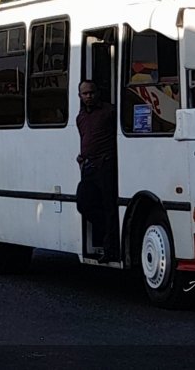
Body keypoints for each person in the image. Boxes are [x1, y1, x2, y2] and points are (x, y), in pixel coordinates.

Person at [76, 80, 119, 264]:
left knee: (110, 206)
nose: (88, 96)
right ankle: (108, 235)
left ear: (97, 93)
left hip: (106, 165)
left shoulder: (110, 112)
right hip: (88, 166)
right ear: (80, 96)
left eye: (91, 92)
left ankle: (110, 249)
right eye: (84, 94)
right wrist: (82, 156)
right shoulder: (80, 117)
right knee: (84, 204)